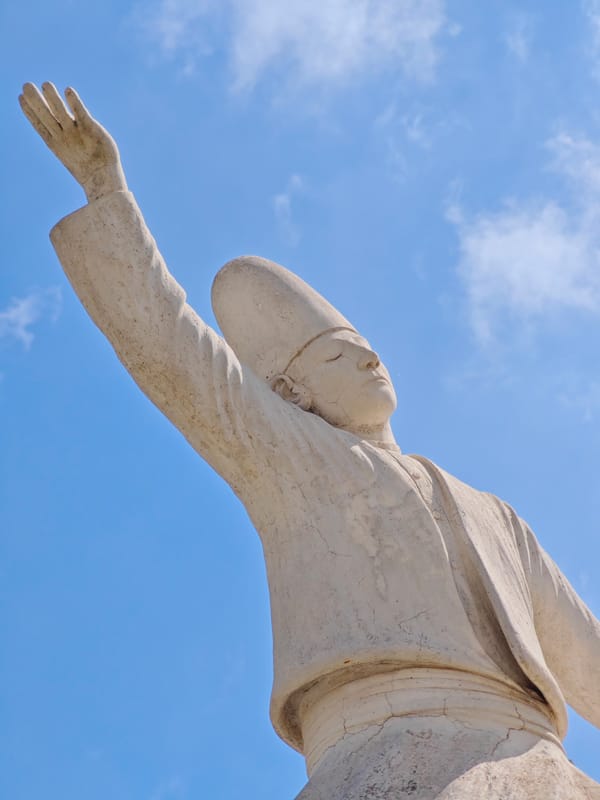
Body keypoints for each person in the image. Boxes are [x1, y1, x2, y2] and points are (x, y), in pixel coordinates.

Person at [19, 82, 600, 799]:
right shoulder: (299, 462)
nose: (369, 359)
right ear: (292, 394)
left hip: (539, 759)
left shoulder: (497, 516)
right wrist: (107, 193)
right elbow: (173, 349)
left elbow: (586, 656)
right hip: (386, 752)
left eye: (365, 346)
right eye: (335, 354)